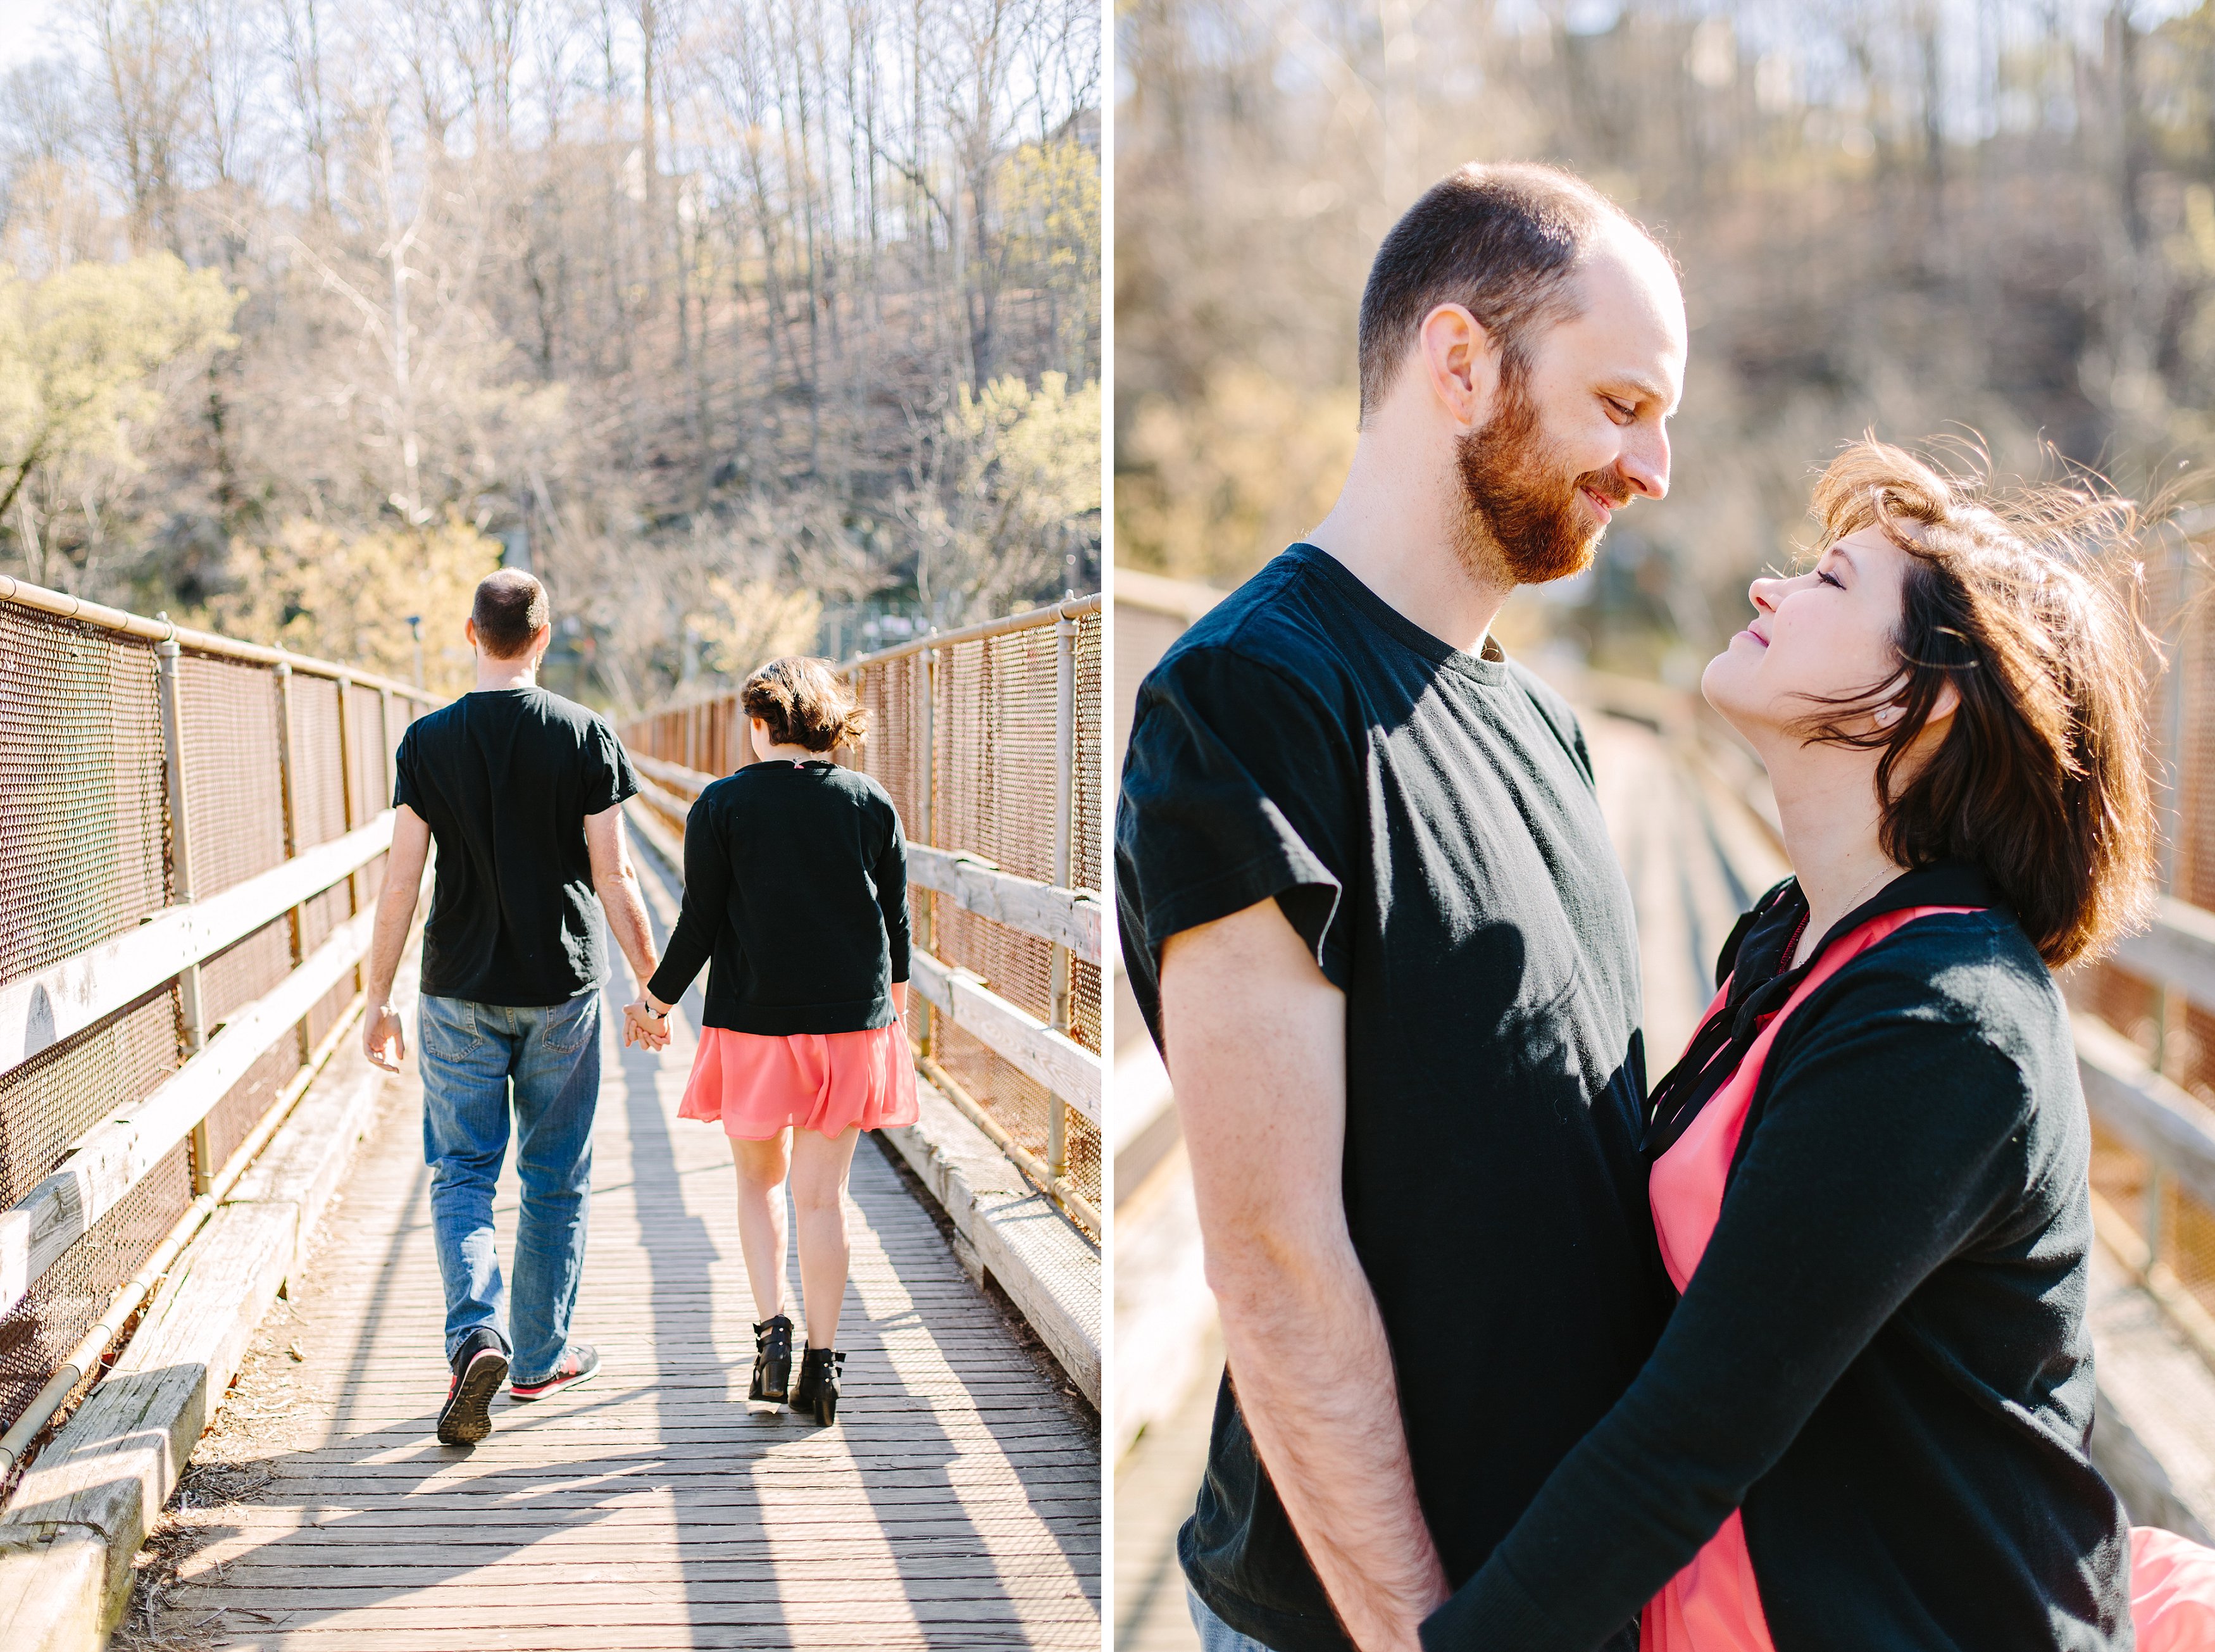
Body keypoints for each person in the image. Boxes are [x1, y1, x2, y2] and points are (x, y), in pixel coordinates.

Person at [1421, 440, 2215, 1652]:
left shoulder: (1945, 1032)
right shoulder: (1795, 943)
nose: (1768, 590)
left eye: (1830, 582)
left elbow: (1691, 1433)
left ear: (1929, 698)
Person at [1115, 161, 1686, 1652]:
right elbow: (1274, 1252)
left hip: (1554, 1588)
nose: (1655, 464)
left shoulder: (1545, 725)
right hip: (1371, 1612)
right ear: (1460, 363)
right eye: (1621, 403)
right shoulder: (1251, 700)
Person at [363, 568, 664, 1448]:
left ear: (469, 632)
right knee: (555, 1173)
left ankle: (476, 1337)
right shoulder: (584, 734)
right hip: (560, 988)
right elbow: (617, 876)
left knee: (463, 1171)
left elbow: (399, 883)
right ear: (544, 634)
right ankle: (536, 1357)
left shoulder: (427, 740)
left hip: (455, 985)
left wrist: (377, 1000)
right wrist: (653, 986)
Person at [633, 655, 918, 1427]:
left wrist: (656, 1002)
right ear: (828, 726)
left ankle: (771, 1339)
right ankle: (823, 1370)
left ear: (759, 726)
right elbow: (896, 927)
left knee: (760, 1187)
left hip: (755, 1027)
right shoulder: (870, 803)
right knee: (823, 1199)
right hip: (850, 1030)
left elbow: (699, 924)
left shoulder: (722, 805)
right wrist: (891, 1019)